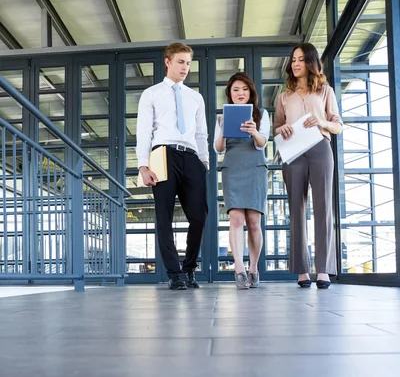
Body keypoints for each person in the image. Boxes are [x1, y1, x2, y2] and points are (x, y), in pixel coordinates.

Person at [136, 42, 209, 290]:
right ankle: (174, 273)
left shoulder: (195, 97)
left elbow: (201, 134)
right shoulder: (152, 94)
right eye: (180, 62)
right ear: (167, 62)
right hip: (162, 154)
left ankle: (188, 269)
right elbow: (144, 131)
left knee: (199, 216)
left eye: (188, 63)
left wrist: (204, 163)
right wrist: (143, 165)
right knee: (164, 216)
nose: (185, 68)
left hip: (191, 157)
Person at [274, 43, 343, 289]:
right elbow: (277, 129)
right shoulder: (283, 97)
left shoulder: (325, 91)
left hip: (320, 149)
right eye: (293, 59)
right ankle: (302, 270)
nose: (295, 63)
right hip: (293, 152)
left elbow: (338, 126)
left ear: (310, 62)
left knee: (323, 208)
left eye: (300, 59)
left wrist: (322, 121)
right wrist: (280, 128)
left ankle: (323, 269)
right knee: (296, 209)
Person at [214, 72, 269, 289]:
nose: (240, 93)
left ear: (251, 92)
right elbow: (218, 148)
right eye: (236, 89)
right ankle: (238, 268)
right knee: (236, 219)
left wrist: (254, 132)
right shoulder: (222, 116)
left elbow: (263, 143)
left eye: (244, 89)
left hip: (255, 167)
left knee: (254, 221)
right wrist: (224, 130)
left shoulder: (261, 113)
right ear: (229, 93)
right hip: (233, 167)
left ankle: (253, 267)